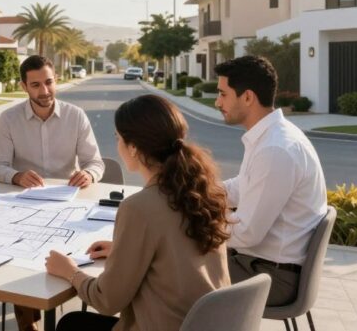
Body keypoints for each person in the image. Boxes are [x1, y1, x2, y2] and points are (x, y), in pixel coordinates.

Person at [45, 95, 230, 331]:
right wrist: (123, 250)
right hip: (208, 324)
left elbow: (107, 300)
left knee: (72, 324)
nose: (117, 145)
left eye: (118, 138)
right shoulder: (203, 192)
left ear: (133, 148)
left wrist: (70, 272)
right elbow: (176, 251)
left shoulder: (138, 207)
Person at [214, 55, 326, 306]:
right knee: (178, 262)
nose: (217, 102)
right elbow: (241, 186)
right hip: (263, 265)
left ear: (247, 97)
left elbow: (247, 233)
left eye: (223, 94)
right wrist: (194, 193)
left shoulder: (275, 149)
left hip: (271, 277)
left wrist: (197, 222)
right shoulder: (272, 137)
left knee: (173, 274)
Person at [0, 55, 105, 188]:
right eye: (35, 85)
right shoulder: (8, 119)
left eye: (49, 82)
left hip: (67, 192)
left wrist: (89, 174)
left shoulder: (76, 116)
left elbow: (95, 162)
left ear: (56, 80)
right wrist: (17, 177)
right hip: (24, 194)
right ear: (24, 86)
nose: (44, 91)